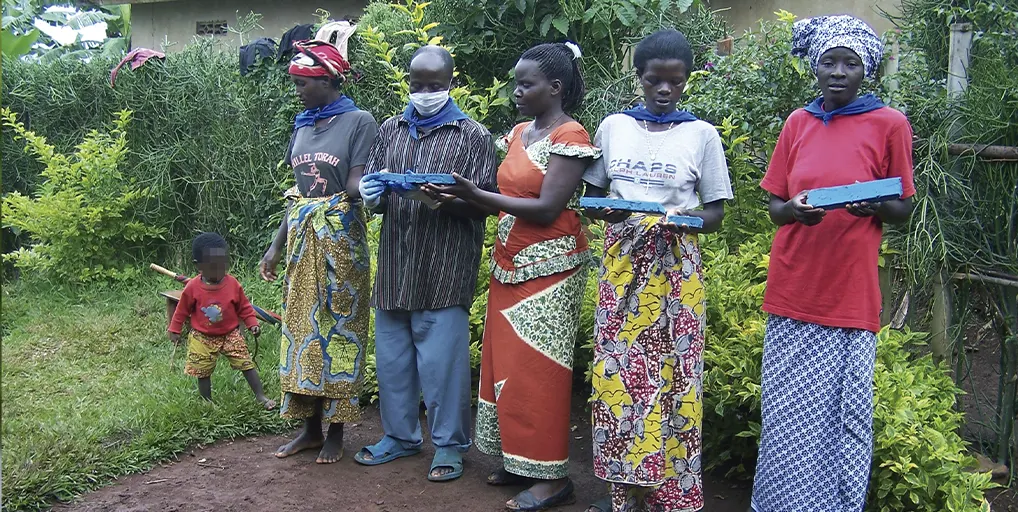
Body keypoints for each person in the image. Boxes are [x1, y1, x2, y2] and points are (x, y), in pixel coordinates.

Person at [750, 15, 915, 512]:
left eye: (850, 63)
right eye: (829, 62)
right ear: (815, 67)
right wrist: (795, 210)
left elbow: (902, 208)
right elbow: (775, 207)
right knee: (787, 413)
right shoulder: (798, 123)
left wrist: (874, 205)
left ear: (867, 70)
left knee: (844, 416)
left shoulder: (889, 124)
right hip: (794, 286)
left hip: (848, 292)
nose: (838, 72)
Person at [437, 41, 600, 511]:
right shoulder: (519, 133)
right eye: (516, 84)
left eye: (526, 84)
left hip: (551, 269)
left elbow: (547, 208)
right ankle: (520, 459)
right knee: (506, 366)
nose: (517, 92)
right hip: (508, 263)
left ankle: (552, 479)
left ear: (556, 87)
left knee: (539, 371)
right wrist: (455, 198)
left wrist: (478, 196)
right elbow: (500, 196)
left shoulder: (571, 135)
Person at [581, 28, 733, 512]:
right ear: (639, 78)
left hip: (676, 268)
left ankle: (670, 493)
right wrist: (608, 212)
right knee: (619, 374)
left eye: (675, 81)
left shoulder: (702, 135)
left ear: (687, 80)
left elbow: (715, 214)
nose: (664, 90)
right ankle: (624, 491)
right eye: (654, 81)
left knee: (674, 374)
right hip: (623, 264)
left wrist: (681, 220)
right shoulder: (614, 127)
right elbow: (593, 198)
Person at [351, 46, 498, 482]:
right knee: (393, 362)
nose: (425, 92)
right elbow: (375, 186)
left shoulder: (471, 135)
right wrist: (372, 195)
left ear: (451, 83)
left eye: (435, 85)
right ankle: (399, 437)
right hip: (395, 266)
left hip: (444, 268)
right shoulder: (390, 130)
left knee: (442, 367)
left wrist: (445, 200)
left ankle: (449, 445)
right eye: (418, 84)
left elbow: (485, 205)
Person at [259, 39, 379, 465]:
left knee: (341, 329)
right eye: (295, 83)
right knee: (301, 331)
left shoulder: (359, 122)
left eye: (302, 83)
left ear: (326, 80)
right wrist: (275, 247)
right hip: (301, 240)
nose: (297, 90)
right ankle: (309, 429)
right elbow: (298, 193)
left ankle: (337, 430)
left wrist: (372, 189)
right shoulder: (303, 125)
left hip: (342, 239)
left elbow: (356, 184)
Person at [168, 232, 275, 410]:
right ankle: (207, 401)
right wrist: (174, 329)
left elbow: (245, 307)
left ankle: (260, 396)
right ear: (198, 266)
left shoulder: (232, 284)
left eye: (223, 265)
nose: (219, 271)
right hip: (202, 337)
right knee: (203, 370)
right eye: (213, 267)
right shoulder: (192, 287)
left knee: (246, 363)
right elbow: (181, 311)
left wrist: (252, 324)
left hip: (230, 334)